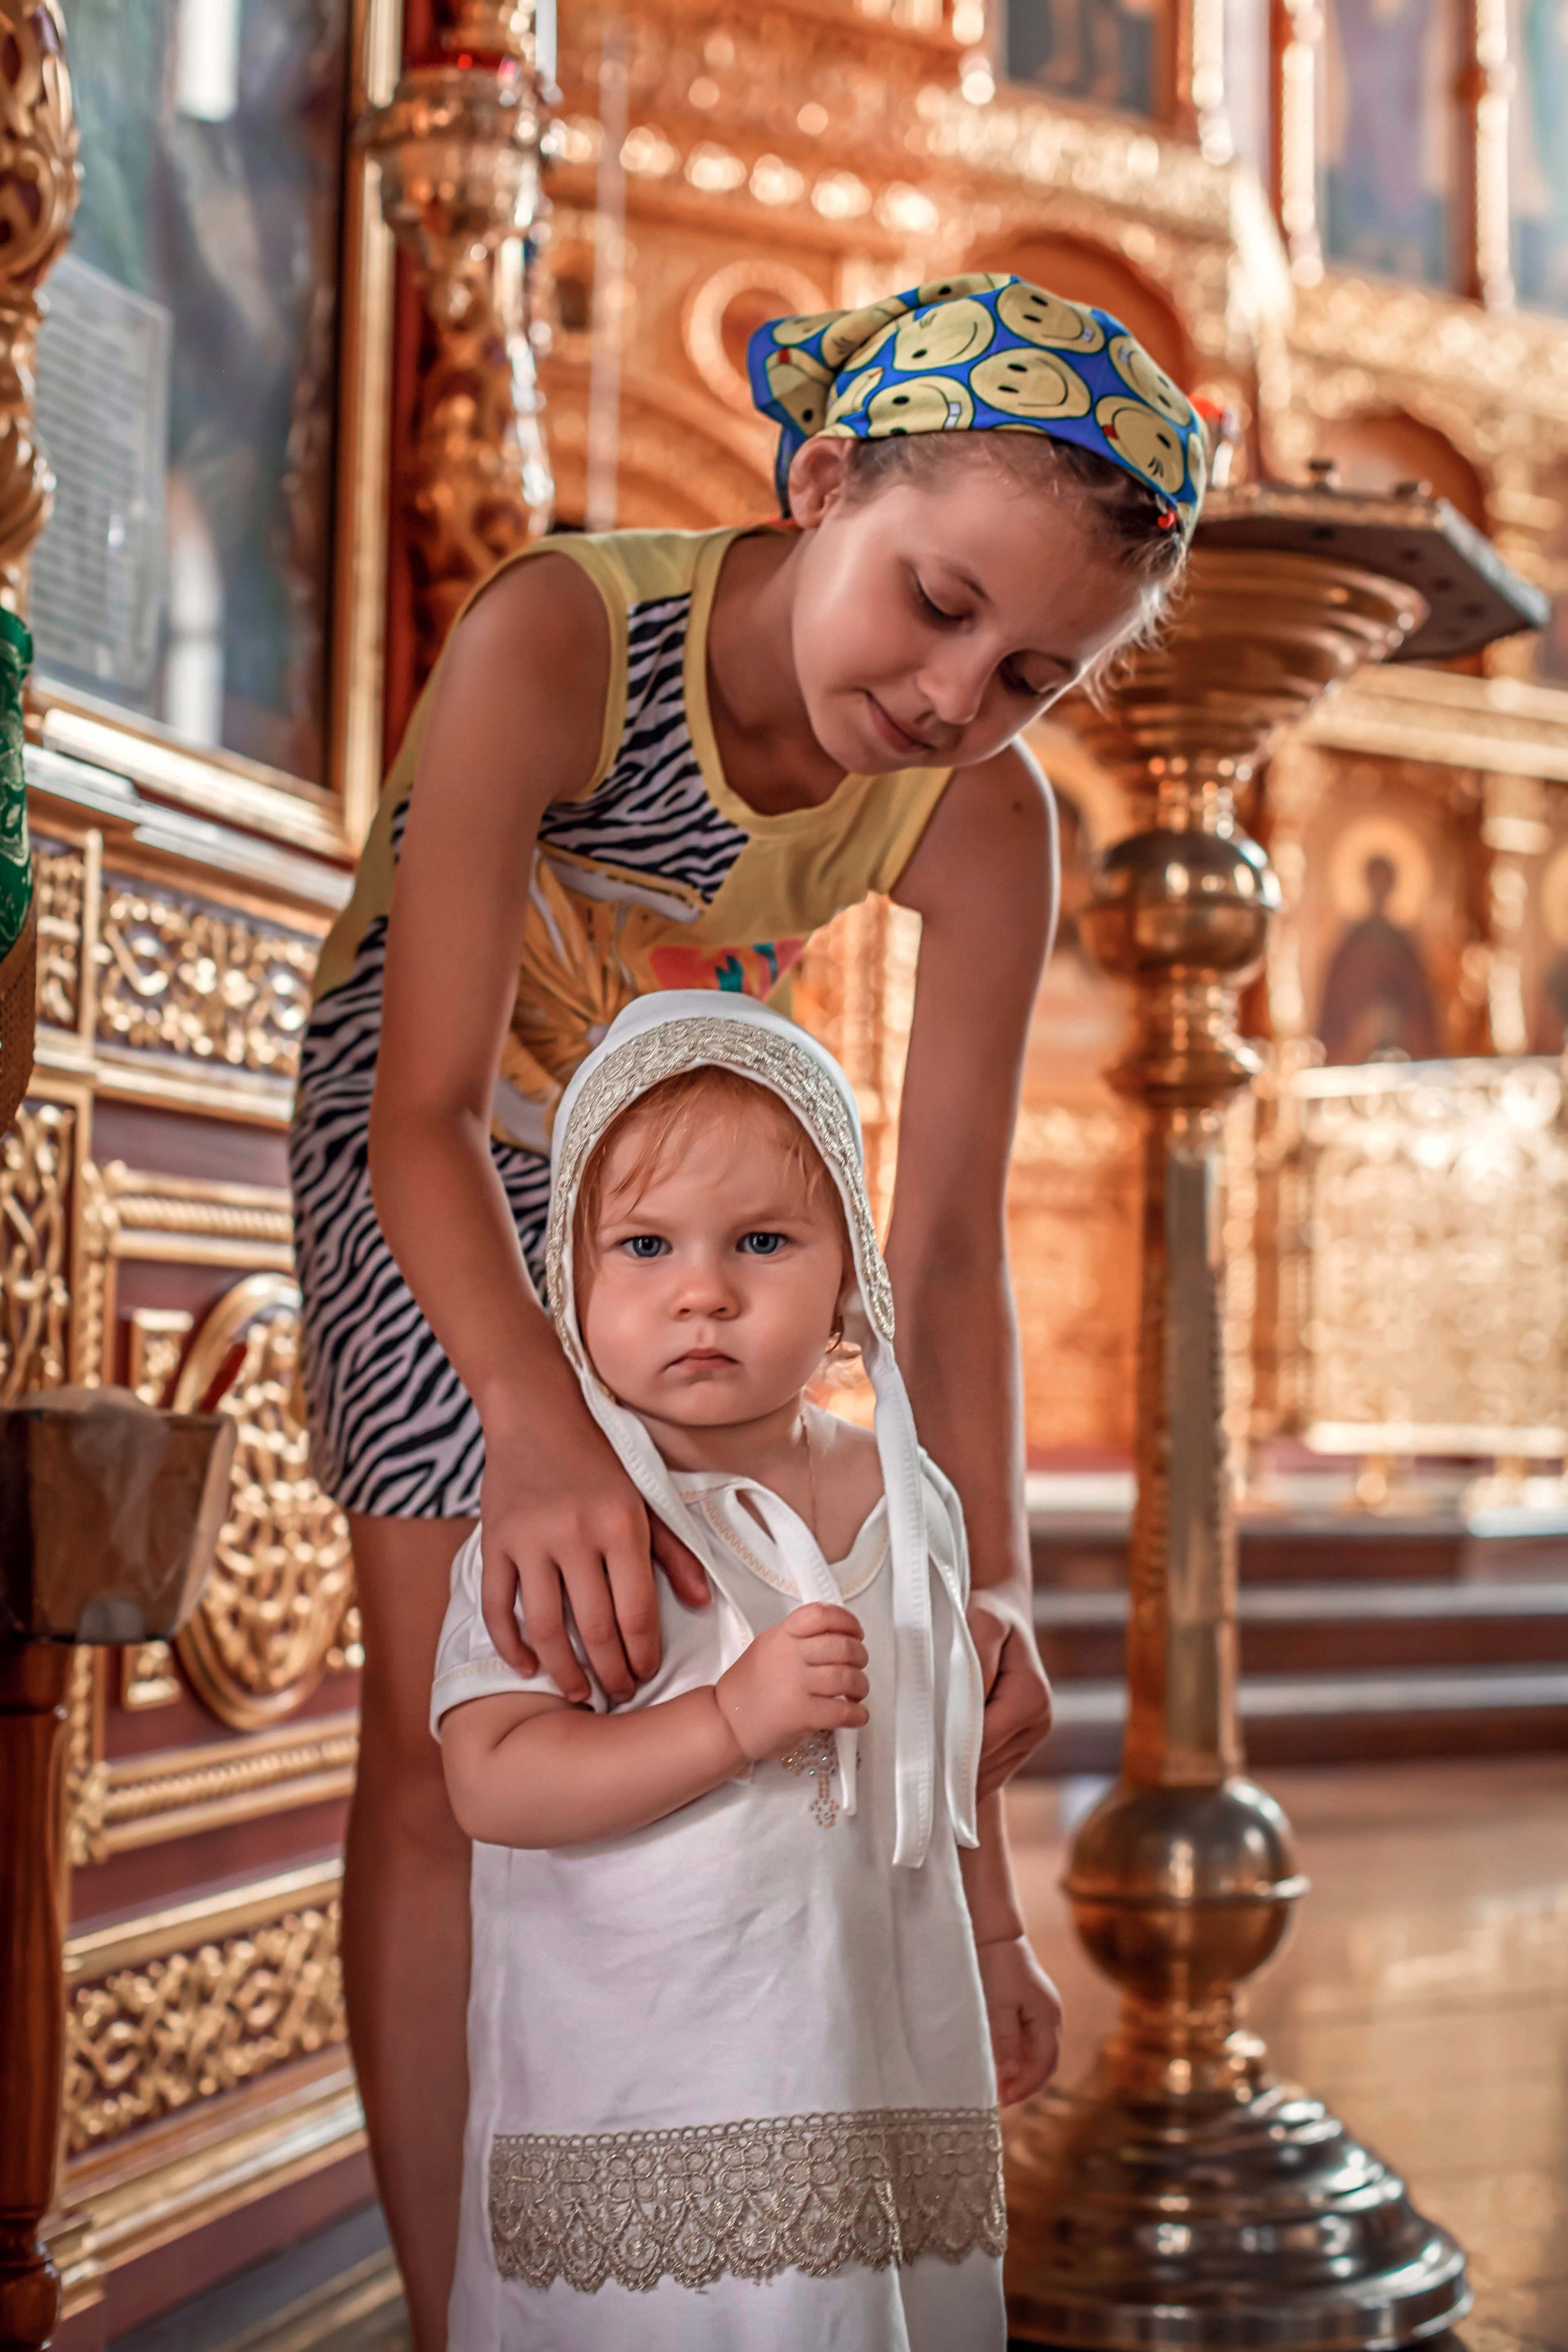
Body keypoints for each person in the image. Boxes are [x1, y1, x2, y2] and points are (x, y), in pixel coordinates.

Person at [287, 272, 1204, 2345]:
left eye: (1035, 672)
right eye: (938, 603)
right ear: (822, 484)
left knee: (698, 1698)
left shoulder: (987, 818)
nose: (959, 695)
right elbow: (420, 1114)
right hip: (439, 1153)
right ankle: (458, 2311)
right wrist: (534, 1422)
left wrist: (986, 1586)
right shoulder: (562, 637)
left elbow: (941, 1251)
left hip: (693, 1175)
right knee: (456, 1745)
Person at [434, 993, 1063, 2349]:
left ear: (849, 1275)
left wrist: (1000, 1939)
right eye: (644, 1245)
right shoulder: (572, 1523)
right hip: (649, 2085)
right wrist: (727, 1719)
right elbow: (492, 1779)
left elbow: (948, 1758)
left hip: (872, 2058)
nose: (703, 1290)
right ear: (569, 1277)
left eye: (763, 1243)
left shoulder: (913, 1500)